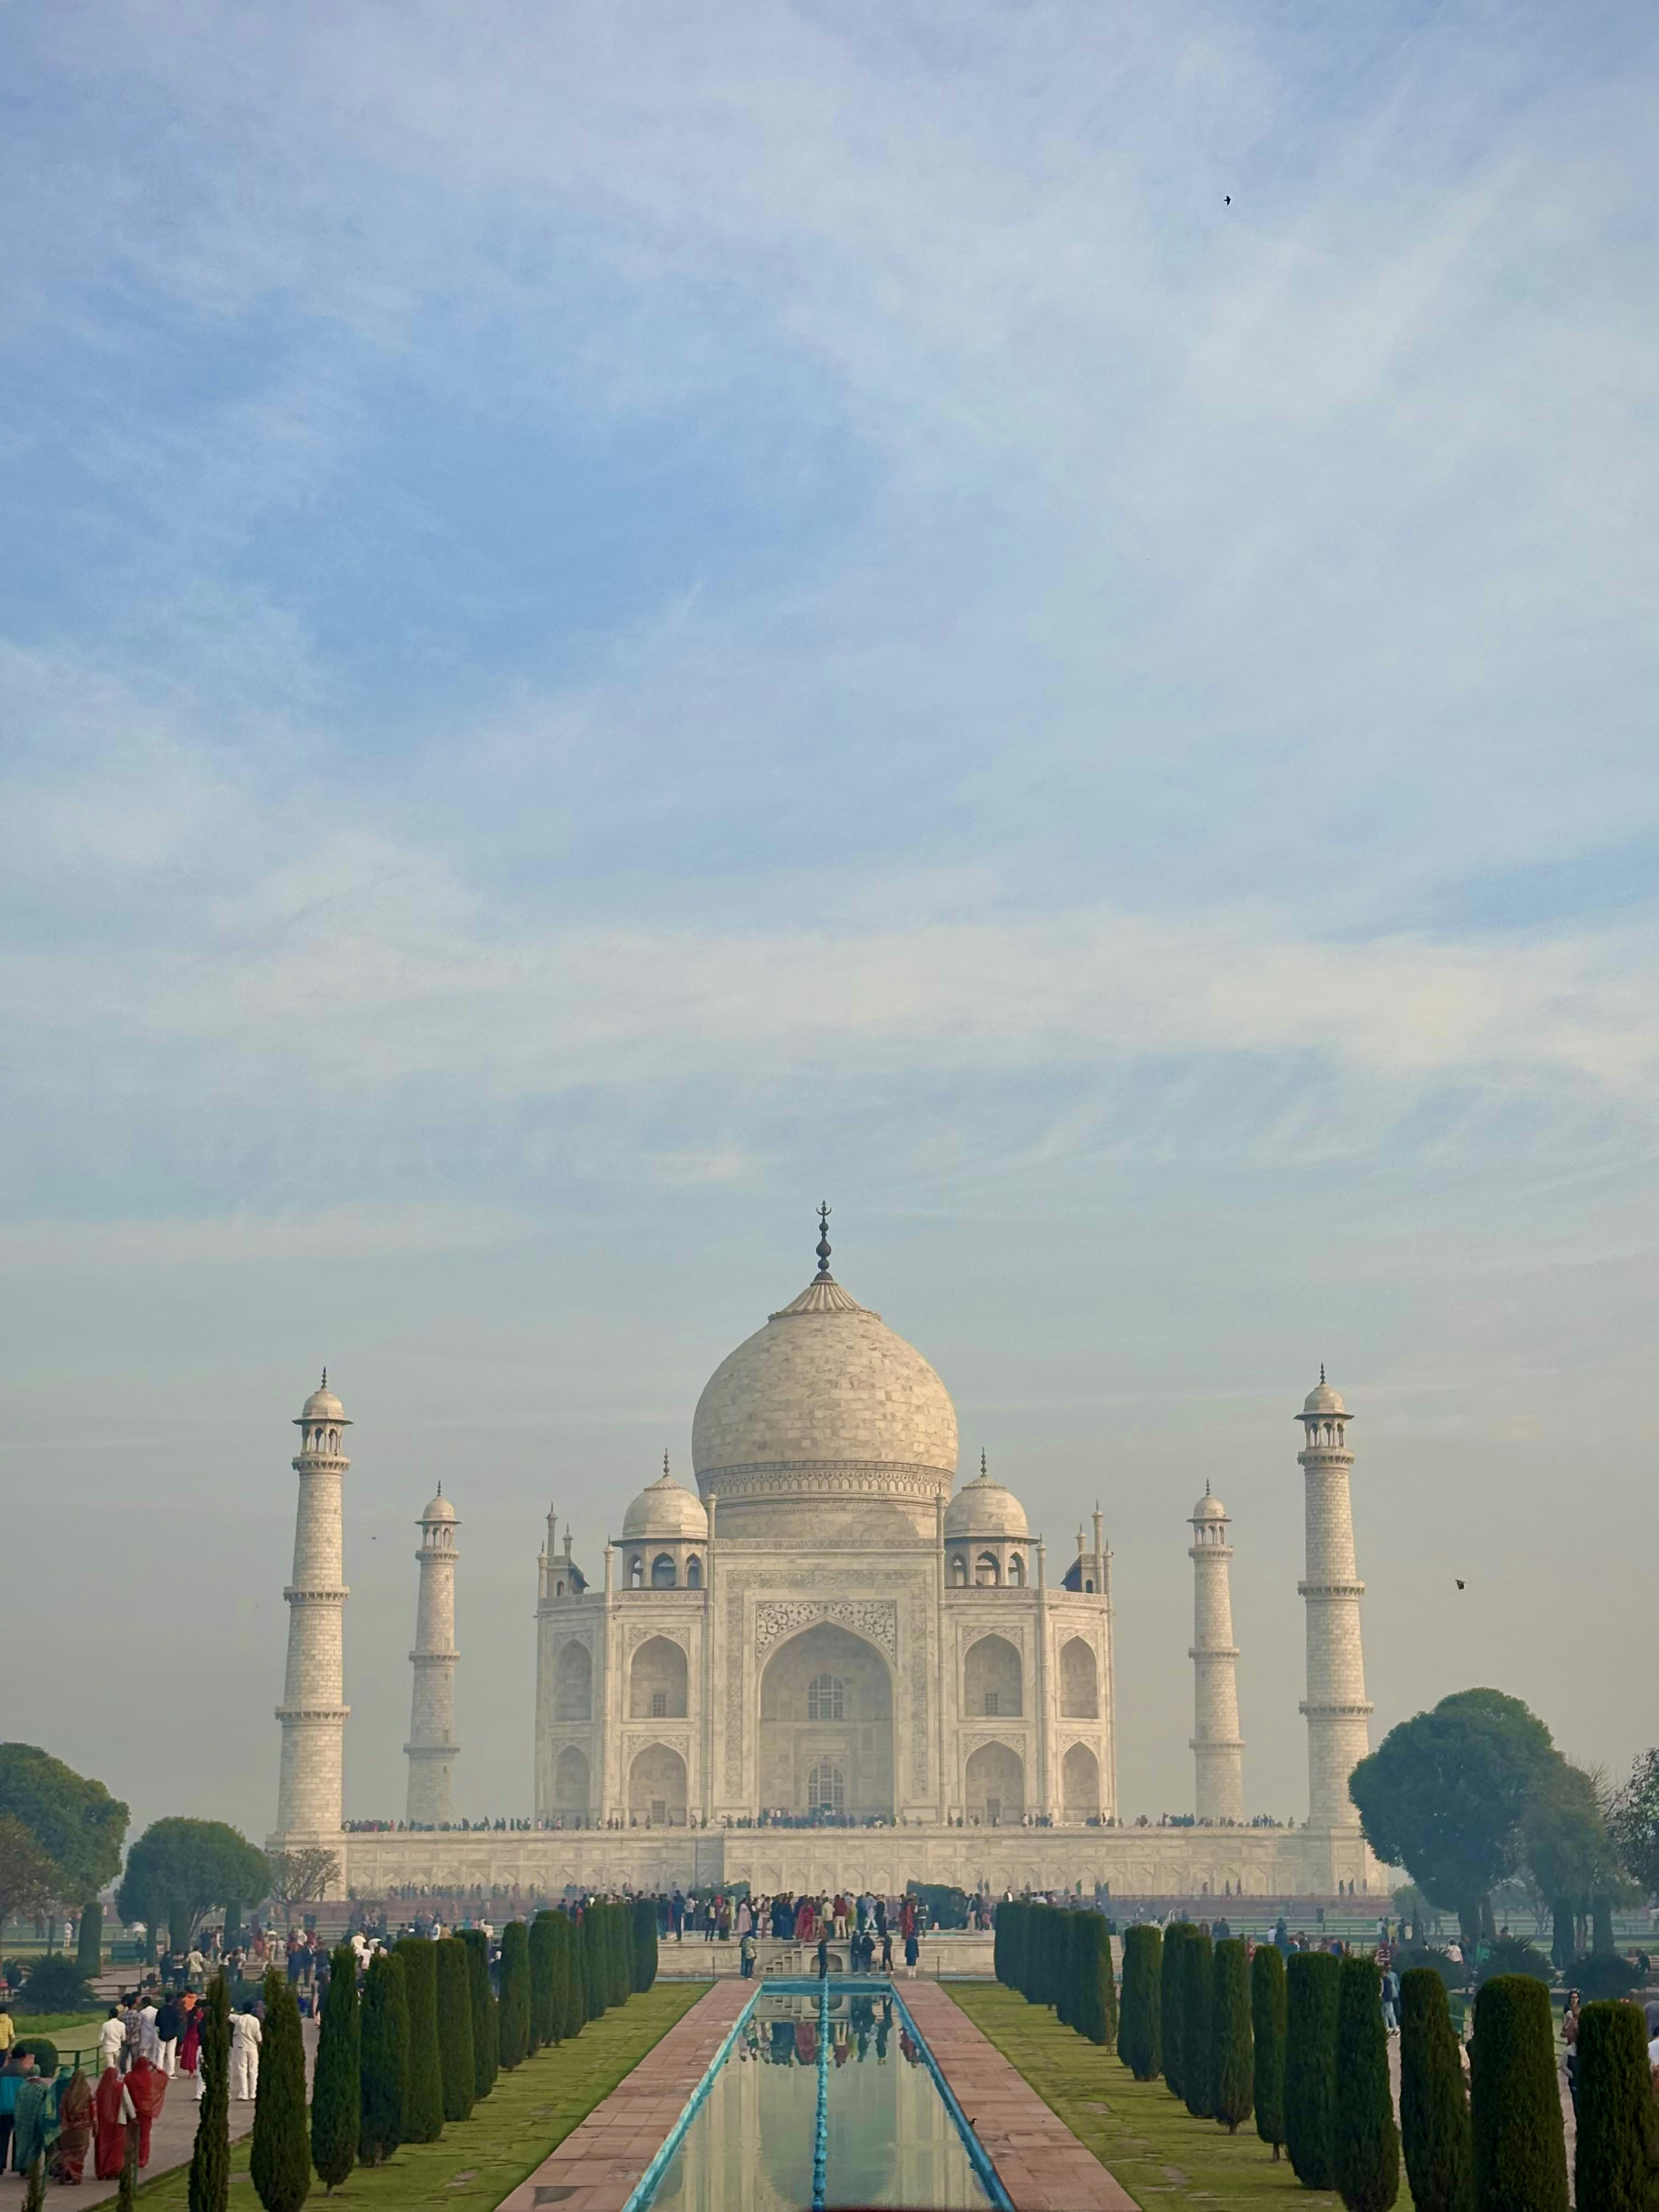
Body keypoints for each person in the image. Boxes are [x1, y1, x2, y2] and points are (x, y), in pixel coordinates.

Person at [49, 2063, 94, 2184]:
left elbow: (62, 2109)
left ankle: (66, 2170)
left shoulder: (67, 2093)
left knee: (67, 2153)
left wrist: (65, 2124)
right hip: (82, 2130)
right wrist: (94, 2126)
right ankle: (76, 2176)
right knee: (79, 2154)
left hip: (68, 2130)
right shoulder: (87, 2093)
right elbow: (93, 2110)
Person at [11, 2059, 54, 2179]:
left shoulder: (23, 2087)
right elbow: (47, 2105)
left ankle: (23, 2167)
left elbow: (18, 2104)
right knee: (36, 2145)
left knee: (23, 2143)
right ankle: (33, 2168)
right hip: (38, 2121)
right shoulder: (44, 2087)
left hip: (23, 2121)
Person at [124, 2052, 167, 2167]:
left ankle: (132, 2157)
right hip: (146, 2111)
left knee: (132, 2135)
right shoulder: (151, 2078)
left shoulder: (129, 2078)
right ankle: (143, 2159)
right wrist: (156, 2067)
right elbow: (164, 2077)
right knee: (145, 2136)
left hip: (132, 2111)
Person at [93, 2064, 131, 2181]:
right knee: (116, 2147)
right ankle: (114, 2169)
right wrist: (133, 2117)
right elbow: (128, 2103)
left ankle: (103, 2169)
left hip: (103, 2122)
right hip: (118, 2121)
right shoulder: (121, 2087)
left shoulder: (101, 2088)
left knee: (103, 2146)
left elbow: (92, 2099)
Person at [230, 2004, 263, 2102]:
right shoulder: (255, 2020)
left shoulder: (239, 2019)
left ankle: (244, 2093)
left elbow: (227, 2016)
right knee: (253, 2071)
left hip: (241, 2047)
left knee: (242, 2070)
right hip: (253, 2047)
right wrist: (261, 2044)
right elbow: (258, 2036)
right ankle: (253, 2093)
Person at [156, 1989, 182, 2076]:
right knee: (171, 2054)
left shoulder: (161, 2010)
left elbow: (156, 2023)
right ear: (172, 2000)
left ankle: (159, 2070)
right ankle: (171, 2072)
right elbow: (178, 2022)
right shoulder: (175, 2010)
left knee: (161, 2053)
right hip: (172, 2034)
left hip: (162, 2033)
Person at [97, 2006, 126, 2078]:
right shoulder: (122, 2025)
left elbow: (101, 2038)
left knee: (110, 2065)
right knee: (117, 2065)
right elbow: (124, 2038)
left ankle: (111, 2079)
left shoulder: (105, 2025)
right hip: (117, 2047)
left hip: (108, 2047)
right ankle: (117, 2078)